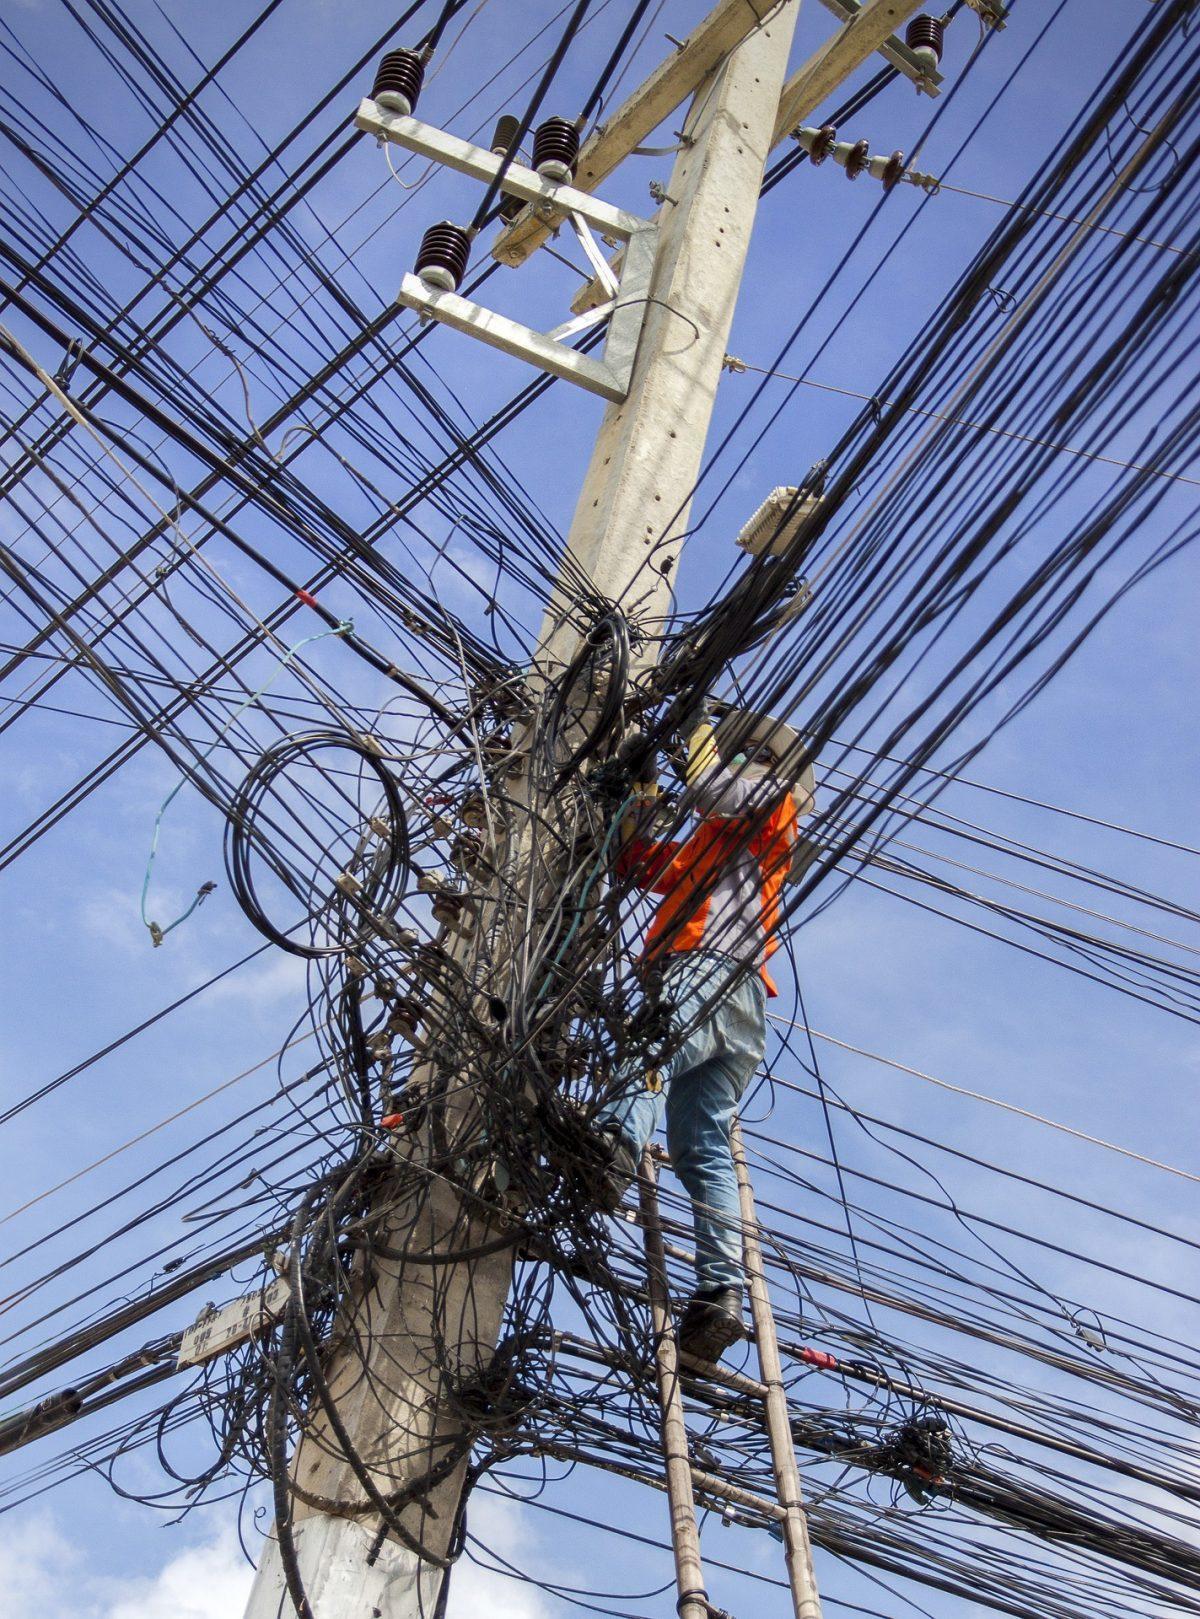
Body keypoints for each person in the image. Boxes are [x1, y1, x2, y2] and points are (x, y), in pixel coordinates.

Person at [591, 707, 809, 1363]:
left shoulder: (775, 804)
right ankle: (721, 1293)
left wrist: (698, 747)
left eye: (748, 754)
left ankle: (615, 1147)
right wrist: (634, 793)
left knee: (651, 1045)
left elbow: (717, 787)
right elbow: (636, 860)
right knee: (700, 1146)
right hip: (739, 1012)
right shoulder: (710, 844)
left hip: (710, 975)